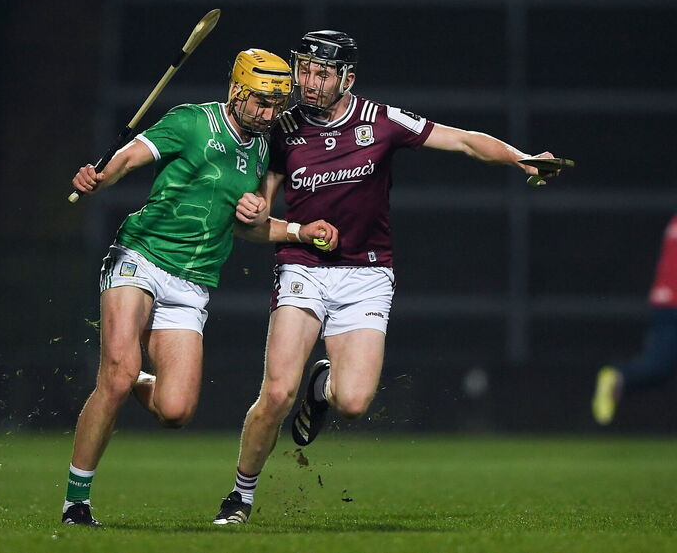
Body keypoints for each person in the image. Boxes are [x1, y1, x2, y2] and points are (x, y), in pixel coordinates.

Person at [213, 30, 561, 525]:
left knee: (353, 403)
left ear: (347, 78)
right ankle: (240, 497)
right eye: (304, 70)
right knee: (274, 394)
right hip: (303, 268)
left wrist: (519, 156)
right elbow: (257, 220)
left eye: (322, 73)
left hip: (367, 273)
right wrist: (251, 211)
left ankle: (323, 387)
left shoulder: (380, 120)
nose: (308, 82)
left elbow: (461, 141)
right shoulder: (281, 128)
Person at [62, 48, 339, 526]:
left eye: (276, 105)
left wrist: (297, 229)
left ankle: (128, 383)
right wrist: (101, 177)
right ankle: (76, 503)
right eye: (260, 102)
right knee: (117, 371)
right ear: (236, 91)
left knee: (175, 411)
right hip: (140, 258)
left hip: (193, 282)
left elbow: (248, 229)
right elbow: (131, 155)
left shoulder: (262, 149)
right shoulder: (191, 121)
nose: (269, 114)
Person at [592, 214, 677, 425]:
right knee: (657, 367)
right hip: (671, 305)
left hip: (664, 304)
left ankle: (620, 378)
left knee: (658, 367)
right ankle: (619, 378)